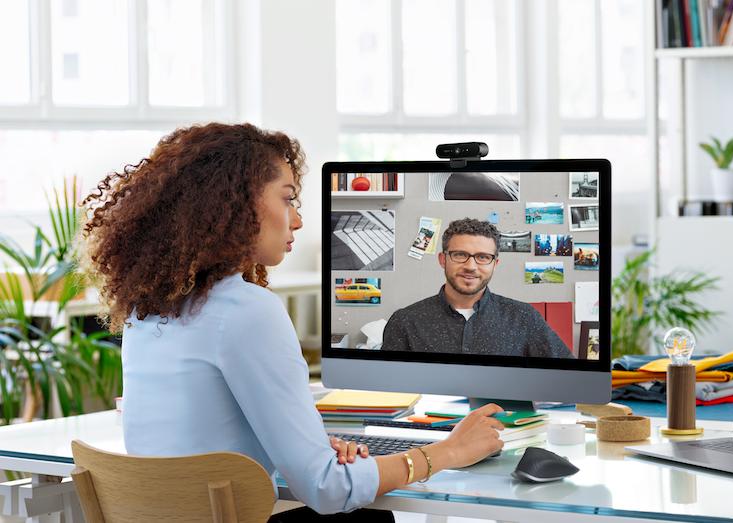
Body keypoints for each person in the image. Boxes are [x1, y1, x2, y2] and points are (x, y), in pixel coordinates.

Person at [80, 123, 504, 522]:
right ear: (236, 204)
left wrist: (309, 445)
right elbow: (326, 489)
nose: (298, 220)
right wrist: (447, 452)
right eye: (287, 198)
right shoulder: (246, 310)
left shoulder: (148, 308)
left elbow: (198, 434)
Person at [382, 218, 573, 358]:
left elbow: (567, 375)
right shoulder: (405, 321)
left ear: (495, 263)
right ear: (443, 260)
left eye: (482, 257)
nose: (471, 266)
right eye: (460, 255)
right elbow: (387, 390)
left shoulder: (523, 317)